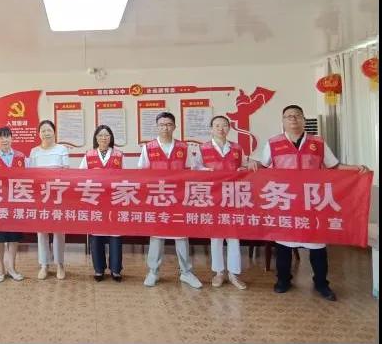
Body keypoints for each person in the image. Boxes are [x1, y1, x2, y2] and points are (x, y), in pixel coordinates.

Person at [249, 104, 370, 301]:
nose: (293, 119)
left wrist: (356, 168)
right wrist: (252, 164)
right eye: (289, 116)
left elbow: (334, 166)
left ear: (304, 120)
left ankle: (321, 283)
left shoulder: (318, 142)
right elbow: (263, 166)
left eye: (297, 115)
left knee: (317, 245)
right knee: (284, 245)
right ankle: (283, 280)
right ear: (283, 121)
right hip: (286, 202)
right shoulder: (273, 143)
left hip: (311, 202)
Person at [138, 111, 202, 289]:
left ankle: (186, 272)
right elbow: (141, 173)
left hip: (178, 199)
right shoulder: (148, 148)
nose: (165, 128)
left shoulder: (183, 147)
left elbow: (190, 171)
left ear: (174, 126)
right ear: (156, 127)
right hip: (157, 198)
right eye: (162, 125)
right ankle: (153, 272)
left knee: (181, 236)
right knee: (156, 236)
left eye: (168, 124)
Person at [193, 115, 247, 290]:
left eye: (224, 125)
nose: (221, 129)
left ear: (229, 128)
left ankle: (234, 274)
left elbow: (244, 167)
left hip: (233, 196)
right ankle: (219, 272)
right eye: (217, 125)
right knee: (216, 236)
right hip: (213, 197)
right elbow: (196, 169)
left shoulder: (237, 148)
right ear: (211, 129)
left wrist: (245, 168)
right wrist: (208, 171)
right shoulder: (203, 148)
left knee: (234, 235)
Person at [79, 125, 124, 282]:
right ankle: (99, 269)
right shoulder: (88, 155)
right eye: (100, 135)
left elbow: (125, 178)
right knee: (96, 235)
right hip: (95, 201)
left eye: (107, 135)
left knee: (115, 235)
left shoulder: (119, 155)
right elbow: (80, 176)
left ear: (111, 138)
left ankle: (116, 270)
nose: (104, 138)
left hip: (114, 201)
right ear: (96, 138)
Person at [28, 120, 70, 280]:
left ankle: (60, 264)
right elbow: (31, 175)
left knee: (59, 231)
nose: (46, 133)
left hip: (58, 196)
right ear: (39, 134)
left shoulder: (62, 149)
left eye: (49, 130)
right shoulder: (34, 152)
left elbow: (66, 172)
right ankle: (44, 264)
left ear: (54, 132)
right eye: (43, 130)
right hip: (40, 196)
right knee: (42, 231)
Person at [0, 126, 25, 283]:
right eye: (1, 137)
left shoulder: (21, 157)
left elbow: (29, 178)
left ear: (12, 138)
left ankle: (12, 268)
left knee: (14, 238)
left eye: (7, 136)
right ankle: (0, 269)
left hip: (16, 205)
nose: (5, 140)